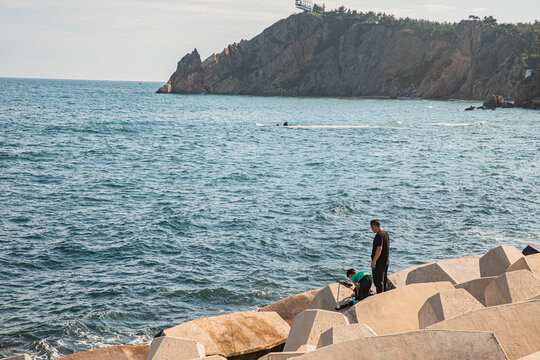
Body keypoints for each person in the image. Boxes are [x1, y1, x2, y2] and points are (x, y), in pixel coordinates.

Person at [370, 219, 390, 294]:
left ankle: (380, 297)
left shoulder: (379, 235)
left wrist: (374, 261)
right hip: (386, 261)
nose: (372, 230)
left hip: (379, 262)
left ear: (374, 226)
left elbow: (379, 248)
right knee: (384, 281)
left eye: (372, 228)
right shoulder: (385, 233)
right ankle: (385, 296)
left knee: (378, 282)